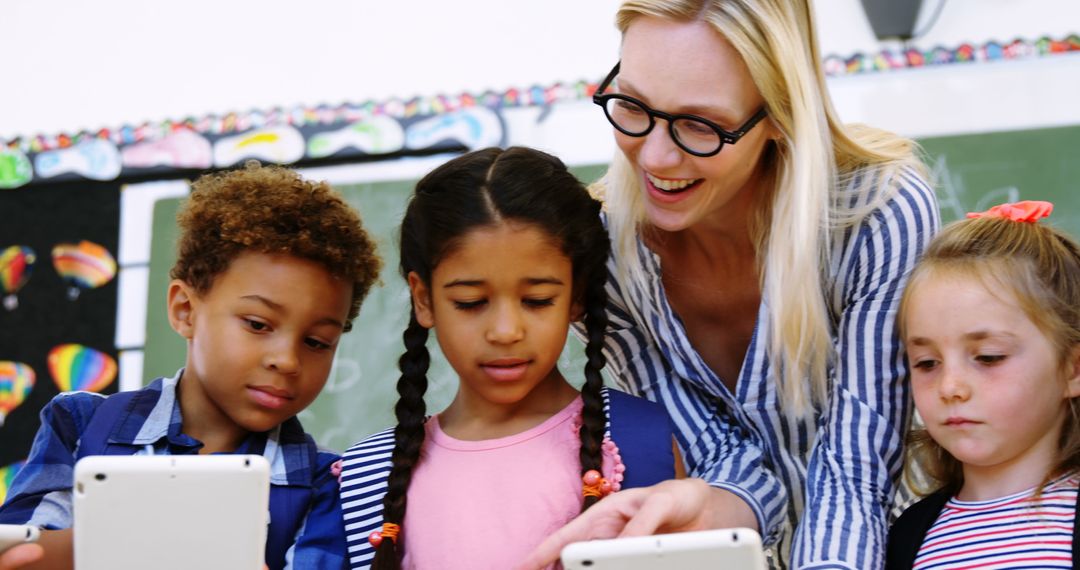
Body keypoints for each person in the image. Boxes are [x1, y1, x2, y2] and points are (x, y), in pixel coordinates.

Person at [519, 1, 940, 568]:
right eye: (635, 105)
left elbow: (855, 471)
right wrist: (707, 501)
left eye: (701, 124)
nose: (658, 155)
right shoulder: (604, 255)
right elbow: (720, 457)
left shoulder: (875, 212)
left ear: (779, 115)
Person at [0, 161, 382, 570]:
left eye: (317, 342)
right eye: (257, 324)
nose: (287, 360)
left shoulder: (328, 484)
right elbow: (25, 549)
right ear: (185, 310)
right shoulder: (78, 423)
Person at [337, 147, 682, 570]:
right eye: (470, 302)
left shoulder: (646, 438)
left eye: (537, 300)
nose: (505, 331)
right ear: (423, 299)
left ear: (575, 297)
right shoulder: (369, 476)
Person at [885, 201, 1080, 569]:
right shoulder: (906, 538)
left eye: (989, 357)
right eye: (927, 363)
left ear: (1072, 369)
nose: (950, 387)